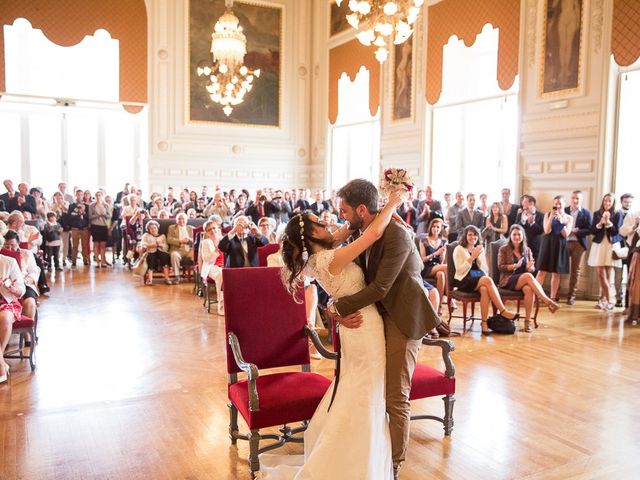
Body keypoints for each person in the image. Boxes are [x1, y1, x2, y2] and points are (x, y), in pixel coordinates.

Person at [268, 186, 405, 479]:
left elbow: (349, 227)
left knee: (361, 388)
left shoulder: (324, 253)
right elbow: (372, 235)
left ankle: (364, 460)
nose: (328, 222)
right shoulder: (327, 259)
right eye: (320, 223)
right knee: (368, 391)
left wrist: (377, 205)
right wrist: (393, 203)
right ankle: (358, 466)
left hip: (358, 325)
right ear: (312, 235)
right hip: (364, 328)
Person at [327, 179, 440, 479]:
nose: (342, 217)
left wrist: (338, 308)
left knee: (395, 395)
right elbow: (349, 276)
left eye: (345, 211)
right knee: (374, 389)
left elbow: (379, 287)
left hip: (403, 317)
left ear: (362, 210)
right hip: (377, 319)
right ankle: (372, 451)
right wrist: (334, 304)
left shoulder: (397, 234)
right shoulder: (364, 230)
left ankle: (395, 465)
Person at [453, 225, 519, 335]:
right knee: (487, 281)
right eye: (470, 235)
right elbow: (459, 270)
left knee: (484, 289)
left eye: (475, 235)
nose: (473, 237)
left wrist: (478, 257)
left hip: (477, 279)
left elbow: (485, 269)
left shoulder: (479, 249)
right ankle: (503, 311)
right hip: (464, 280)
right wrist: (471, 258)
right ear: (465, 236)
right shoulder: (458, 249)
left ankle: (484, 323)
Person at [498, 225, 561, 332]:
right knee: (528, 276)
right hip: (508, 279)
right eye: (514, 234)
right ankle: (548, 301)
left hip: (523, 280)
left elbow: (531, 269)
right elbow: (500, 267)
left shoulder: (527, 250)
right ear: (510, 236)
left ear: (523, 236)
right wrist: (514, 266)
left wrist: (529, 267)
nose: (517, 237)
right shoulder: (504, 249)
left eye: (519, 234)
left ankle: (527, 322)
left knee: (529, 289)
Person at [588, 193, 623, 310]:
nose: (607, 203)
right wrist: (600, 223)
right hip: (599, 245)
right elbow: (592, 231)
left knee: (608, 275)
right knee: (601, 275)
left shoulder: (618, 214)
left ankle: (602, 300)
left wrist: (608, 223)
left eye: (609, 201)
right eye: (605, 201)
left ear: (613, 202)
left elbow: (616, 232)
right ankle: (610, 300)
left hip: (611, 246)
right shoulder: (597, 214)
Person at [536, 195, 573, 301]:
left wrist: (561, 221)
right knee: (541, 271)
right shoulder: (547, 214)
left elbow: (566, 234)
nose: (558, 206)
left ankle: (552, 297)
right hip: (547, 243)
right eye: (556, 203)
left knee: (556, 273)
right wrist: (552, 218)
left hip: (560, 244)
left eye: (560, 203)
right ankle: (536, 295)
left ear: (564, 204)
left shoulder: (569, 218)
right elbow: (547, 230)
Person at [0, 239, 26, 384]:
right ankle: (1, 364)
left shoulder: (9, 262)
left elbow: (21, 290)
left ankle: (0, 361)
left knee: (4, 318)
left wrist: (12, 289)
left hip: (6, 301)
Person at [564, 190, 592, 305]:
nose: (575, 200)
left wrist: (578, 231)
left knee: (575, 271)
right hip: (564, 243)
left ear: (581, 200)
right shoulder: (564, 210)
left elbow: (590, 229)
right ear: (570, 198)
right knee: (558, 268)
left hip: (578, 244)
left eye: (578, 198)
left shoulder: (586, 213)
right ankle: (554, 294)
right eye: (573, 198)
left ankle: (571, 296)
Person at [419, 218, 448, 312]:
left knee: (441, 275)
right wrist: (435, 254)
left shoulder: (443, 241)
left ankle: (438, 306)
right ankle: (449, 295)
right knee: (447, 267)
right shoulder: (424, 240)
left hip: (438, 267)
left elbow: (441, 261)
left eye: (438, 227)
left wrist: (442, 254)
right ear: (430, 227)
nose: (435, 229)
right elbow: (422, 259)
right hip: (426, 268)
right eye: (434, 227)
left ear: (441, 229)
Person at [199, 220, 225, 315]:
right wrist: (216, 249)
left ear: (218, 228)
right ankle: (221, 307)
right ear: (206, 232)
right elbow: (206, 259)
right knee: (221, 275)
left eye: (214, 228)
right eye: (209, 229)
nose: (212, 231)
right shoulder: (206, 242)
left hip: (225, 265)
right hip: (212, 266)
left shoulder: (224, 239)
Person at [614, 193, 634, 307]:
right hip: (619, 246)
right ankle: (618, 299)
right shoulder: (617, 214)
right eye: (626, 201)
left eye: (630, 202)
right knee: (618, 276)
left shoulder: (634, 214)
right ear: (621, 202)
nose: (628, 204)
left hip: (631, 248)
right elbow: (615, 231)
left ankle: (629, 300)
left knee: (630, 275)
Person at [140, 221, 172, 285]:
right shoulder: (146, 235)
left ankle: (167, 278)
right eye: (151, 228)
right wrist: (151, 245)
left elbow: (166, 247)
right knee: (150, 257)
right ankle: (150, 280)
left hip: (161, 250)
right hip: (150, 251)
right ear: (148, 229)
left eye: (155, 228)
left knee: (165, 256)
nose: (153, 230)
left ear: (157, 228)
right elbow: (143, 244)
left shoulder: (162, 236)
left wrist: (161, 245)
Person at [515, 195, 545, 261]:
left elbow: (541, 230)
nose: (522, 203)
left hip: (535, 247)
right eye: (522, 201)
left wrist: (532, 223)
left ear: (531, 203)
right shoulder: (520, 215)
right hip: (521, 245)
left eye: (525, 201)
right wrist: (522, 221)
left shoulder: (541, 215)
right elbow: (515, 228)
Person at [167, 213, 194, 283]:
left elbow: (196, 240)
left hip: (189, 249)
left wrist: (189, 240)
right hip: (177, 249)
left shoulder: (191, 228)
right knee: (174, 255)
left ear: (186, 220)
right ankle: (177, 276)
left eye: (183, 219)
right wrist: (180, 241)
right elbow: (169, 239)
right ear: (176, 220)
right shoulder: (172, 228)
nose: (181, 220)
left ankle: (198, 275)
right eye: (179, 219)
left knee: (197, 254)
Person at [89, 190, 112, 268]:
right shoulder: (92, 205)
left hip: (103, 226)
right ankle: (97, 261)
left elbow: (109, 216)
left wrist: (104, 214)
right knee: (96, 244)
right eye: (97, 195)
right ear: (95, 196)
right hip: (95, 226)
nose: (98, 197)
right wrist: (98, 215)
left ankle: (103, 261)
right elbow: (90, 216)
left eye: (100, 195)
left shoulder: (106, 205)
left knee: (103, 244)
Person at [68, 189, 90, 267]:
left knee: (84, 245)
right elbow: (70, 217)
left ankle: (85, 260)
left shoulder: (87, 206)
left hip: (84, 228)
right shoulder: (72, 205)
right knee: (75, 246)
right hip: (75, 228)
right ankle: (74, 261)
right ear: (76, 195)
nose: (79, 196)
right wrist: (78, 213)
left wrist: (83, 212)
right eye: (78, 194)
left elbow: (88, 217)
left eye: (81, 194)